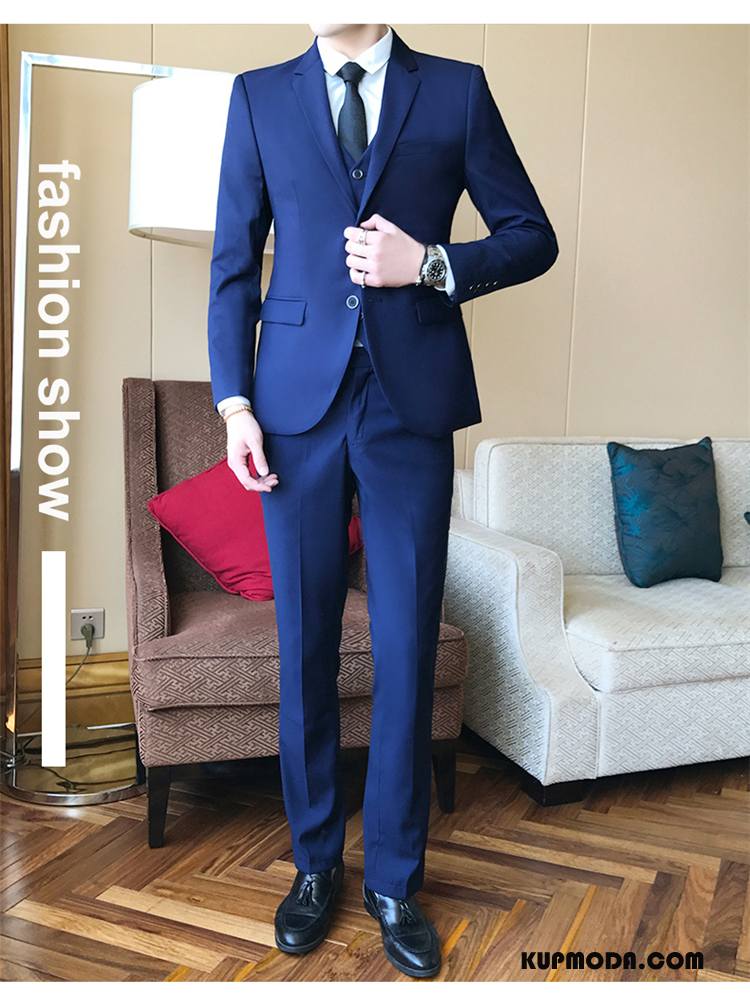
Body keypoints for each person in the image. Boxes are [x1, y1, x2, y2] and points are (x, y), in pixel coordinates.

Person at [207, 23, 558, 978]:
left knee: (406, 649)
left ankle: (396, 880)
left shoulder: (457, 88)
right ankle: (315, 864)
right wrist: (234, 406)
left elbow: (532, 236)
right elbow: (234, 262)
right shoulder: (258, 96)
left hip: (412, 408)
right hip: (293, 410)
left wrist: (432, 264)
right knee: (305, 645)